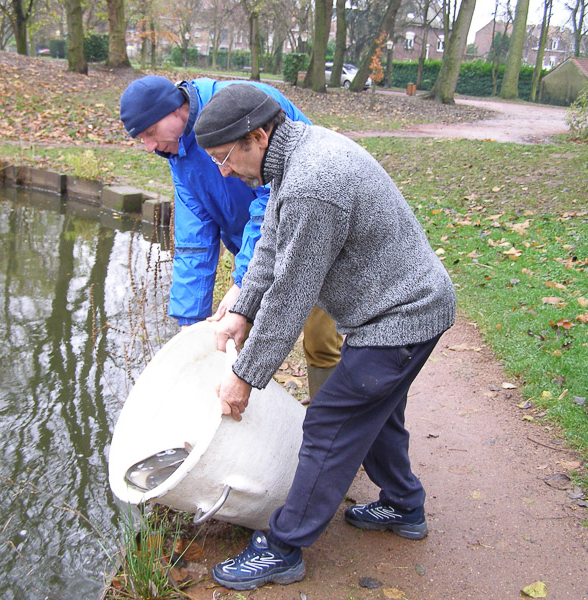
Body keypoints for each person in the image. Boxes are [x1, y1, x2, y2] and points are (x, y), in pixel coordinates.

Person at [192, 84, 457, 591]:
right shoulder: (294, 157)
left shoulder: (316, 182)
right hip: (387, 312)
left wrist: (244, 377)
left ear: (259, 135)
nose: (223, 170)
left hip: (402, 317)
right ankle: (404, 507)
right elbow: (272, 242)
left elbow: (292, 294)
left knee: (331, 423)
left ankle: (284, 546)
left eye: (225, 157)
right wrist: (240, 312)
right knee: (375, 417)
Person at [119, 76, 342, 397]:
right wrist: (190, 320)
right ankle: (267, 424)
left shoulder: (244, 104)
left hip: (311, 237)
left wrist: (242, 281)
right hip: (257, 253)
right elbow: (193, 235)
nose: (150, 146)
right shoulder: (177, 152)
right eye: (142, 139)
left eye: (151, 133)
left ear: (176, 109)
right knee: (240, 336)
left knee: (320, 341)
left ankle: (332, 423)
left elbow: (275, 198)